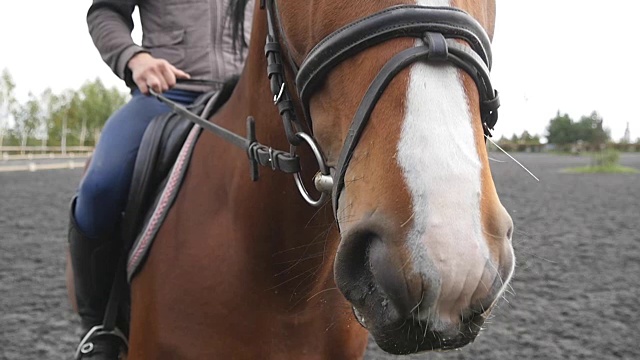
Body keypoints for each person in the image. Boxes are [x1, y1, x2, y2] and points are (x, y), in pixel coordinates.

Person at [69, 0, 252, 358]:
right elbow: (105, 12)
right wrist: (135, 58)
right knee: (100, 186)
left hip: (249, 96)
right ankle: (100, 328)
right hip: (170, 93)